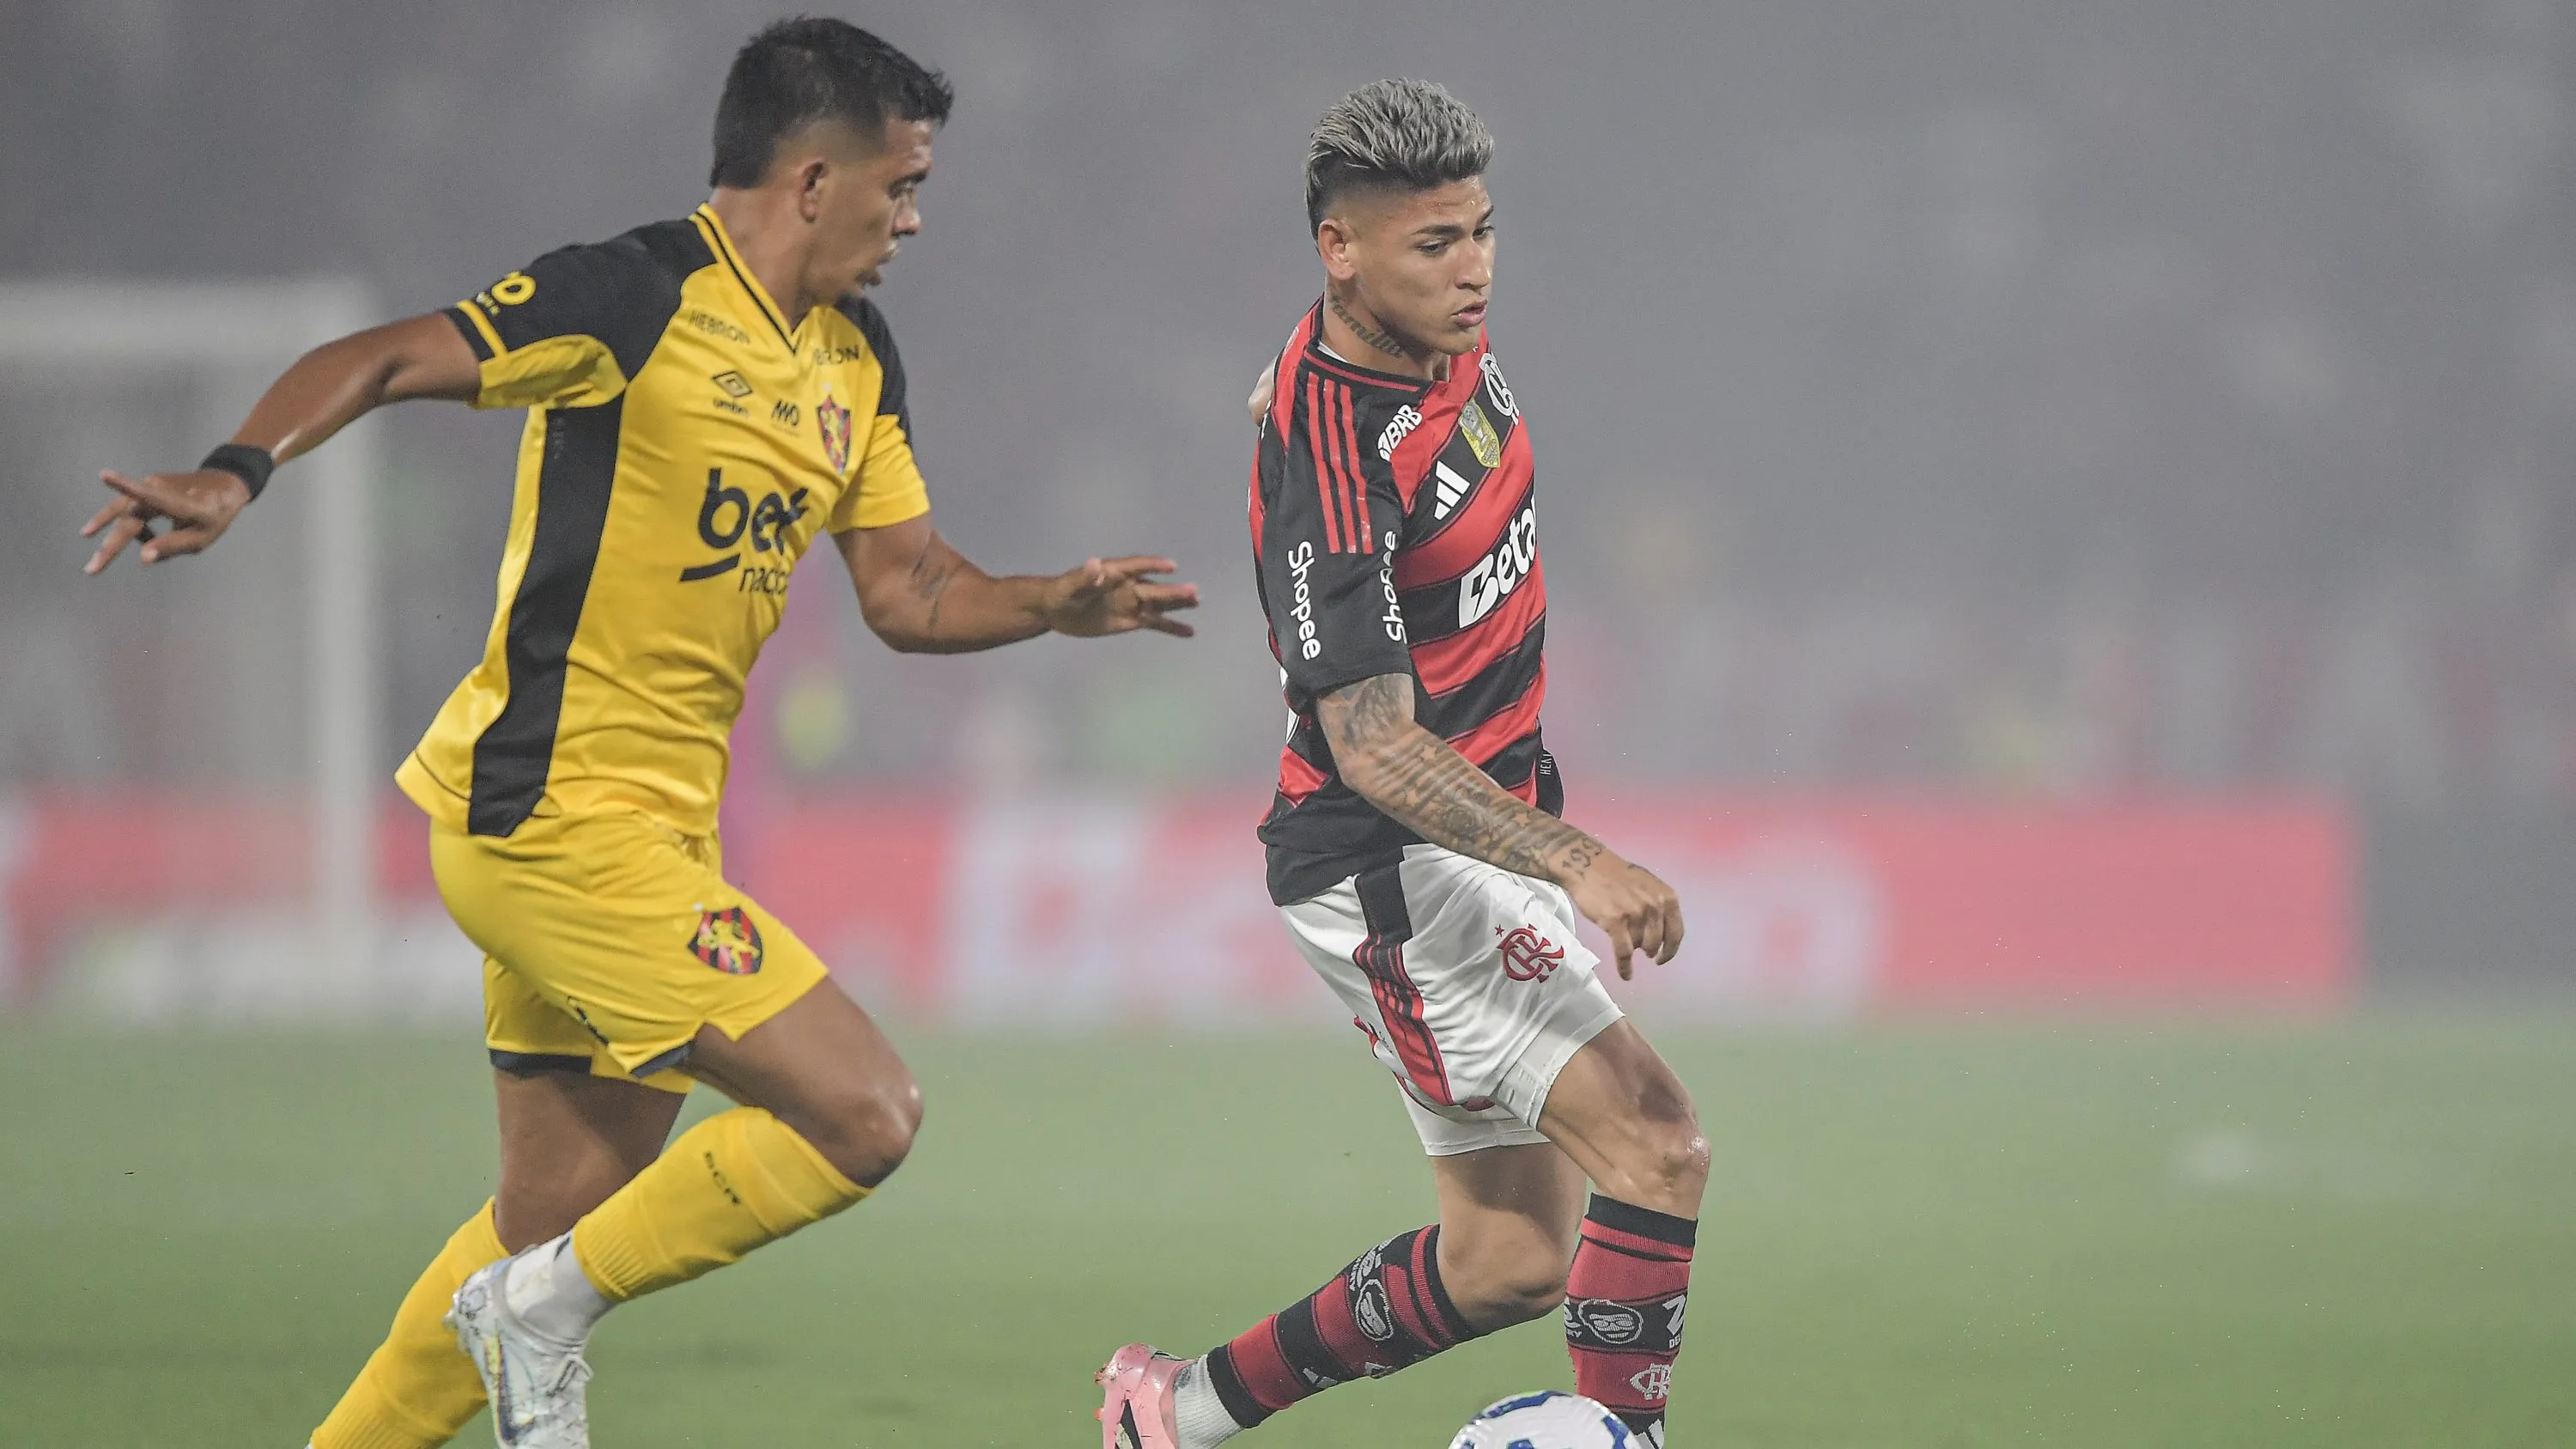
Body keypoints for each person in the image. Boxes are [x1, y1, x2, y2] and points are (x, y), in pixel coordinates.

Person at [80, 20, 1197, 1449]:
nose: (914, 219)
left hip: (651, 831)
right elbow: (382, 354)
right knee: (864, 1112)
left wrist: (1050, 602)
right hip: (546, 820)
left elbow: (909, 590)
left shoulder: (855, 355)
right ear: (810, 179)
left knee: (548, 1219)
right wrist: (239, 472)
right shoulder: (634, 295)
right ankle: (539, 1315)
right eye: (900, 186)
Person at [1095, 78, 1704, 1449]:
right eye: (1435, 244)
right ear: (1341, 249)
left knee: (1507, 1260)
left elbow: (1318, 368)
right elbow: (1369, 740)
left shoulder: (1436, 343)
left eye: (1481, 231)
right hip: (1397, 863)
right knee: (1659, 1142)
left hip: (1478, 840)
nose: (1475, 267)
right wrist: (1580, 859)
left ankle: (1172, 1414)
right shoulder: (1334, 451)